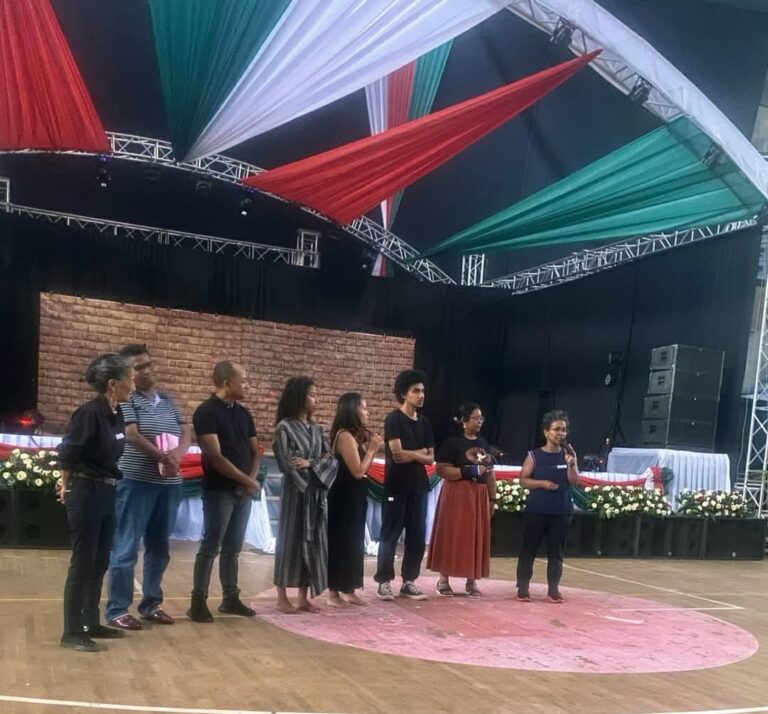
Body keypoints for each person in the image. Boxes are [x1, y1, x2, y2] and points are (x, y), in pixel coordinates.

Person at [105, 344, 192, 630]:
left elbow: (186, 430)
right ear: (127, 373)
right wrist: (162, 457)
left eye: (148, 364)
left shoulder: (166, 399)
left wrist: (177, 455)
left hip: (169, 483)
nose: (146, 371)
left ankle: (151, 604)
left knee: (160, 547)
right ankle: (117, 609)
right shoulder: (127, 400)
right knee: (126, 545)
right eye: (138, 368)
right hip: (136, 482)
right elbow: (131, 434)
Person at [58, 353, 133, 652]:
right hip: (85, 490)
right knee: (83, 561)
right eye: (129, 379)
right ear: (113, 384)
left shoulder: (118, 413)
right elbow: (68, 452)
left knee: (101, 559)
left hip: (107, 490)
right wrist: (65, 485)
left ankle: (90, 621)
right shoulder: (88, 413)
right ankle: (72, 631)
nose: (133, 384)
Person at [188, 361, 261, 623]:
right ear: (228, 382)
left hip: (242, 491)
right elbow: (215, 457)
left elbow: (256, 451)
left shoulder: (243, 414)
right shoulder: (206, 412)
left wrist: (249, 481)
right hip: (219, 490)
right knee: (211, 545)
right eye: (243, 380)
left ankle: (230, 598)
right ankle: (198, 601)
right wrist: (246, 481)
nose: (247, 385)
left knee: (233, 547)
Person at [273, 376, 338, 614]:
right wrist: (305, 483)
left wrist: (310, 464)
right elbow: (287, 462)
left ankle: (302, 596)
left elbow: (330, 459)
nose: (316, 399)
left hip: (316, 496)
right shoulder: (284, 428)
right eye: (312, 395)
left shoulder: (317, 430)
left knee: (313, 543)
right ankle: (281, 597)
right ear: (300, 397)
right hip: (295, 495)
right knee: (289, 541)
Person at [374, 369, 434, 601]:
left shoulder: (425, 423)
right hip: (396, 487)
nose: (421, 395)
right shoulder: (394, 419)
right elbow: (397, 455)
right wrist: (420, 453)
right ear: (403, 393)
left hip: (419, 488)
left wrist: (415, 454)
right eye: (416, 391)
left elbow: (431, 458)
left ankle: (409, 581)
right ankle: (384, 581)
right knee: (390, 534)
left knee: (417, 536)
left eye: (423, 391)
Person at [428, 403, 496, 597]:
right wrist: (468, 472)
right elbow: (441, 469)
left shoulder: (484, 444)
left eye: (481, 418)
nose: (479, 421)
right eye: (475, 418)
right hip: (457, 494)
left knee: (475, 535)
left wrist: (492, 499)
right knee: (452, 533)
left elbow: (490, 474)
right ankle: (443, 579)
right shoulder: (452, 443)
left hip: (479, 496)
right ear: (464, 421)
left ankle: (471, 580)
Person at [515, 409, 579, 603]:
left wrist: (572, 464)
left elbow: (574, 481)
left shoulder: (569, 455)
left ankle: (553, 590)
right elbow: (523, 481)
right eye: (556, 429)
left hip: (561, 511)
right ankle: (523, 588)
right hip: (537, 511)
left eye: (564, 430)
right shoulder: (534, 456)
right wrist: (542, 484)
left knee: (556, 553)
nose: (561, 433)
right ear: (546, 432)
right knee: (529, 550)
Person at [326, 393, 384, 607]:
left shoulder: (354, 436)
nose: (367, 413)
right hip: (344, 497)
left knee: (354, 542)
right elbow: (358, 471)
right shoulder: (344, 436)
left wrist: (369, 447)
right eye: (364, 408)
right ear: (352, 410)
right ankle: (334, 593)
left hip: (355, 496)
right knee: (342, 542)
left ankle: (349, 588)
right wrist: (372, 450)